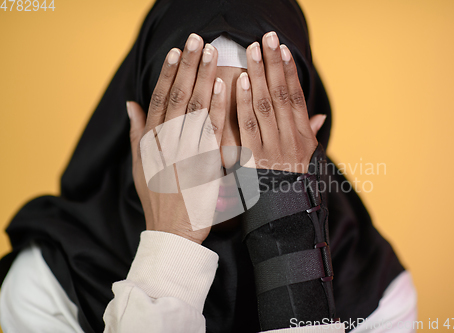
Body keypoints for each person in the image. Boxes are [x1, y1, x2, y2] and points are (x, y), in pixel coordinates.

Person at [0, 0, 417, 332]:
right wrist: (170, 242)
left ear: (307, 132)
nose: (225, 155)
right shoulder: (48, 285)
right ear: (141, 124)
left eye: (257, 114)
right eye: (194, 118)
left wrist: (290, 240)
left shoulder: (376, 292)